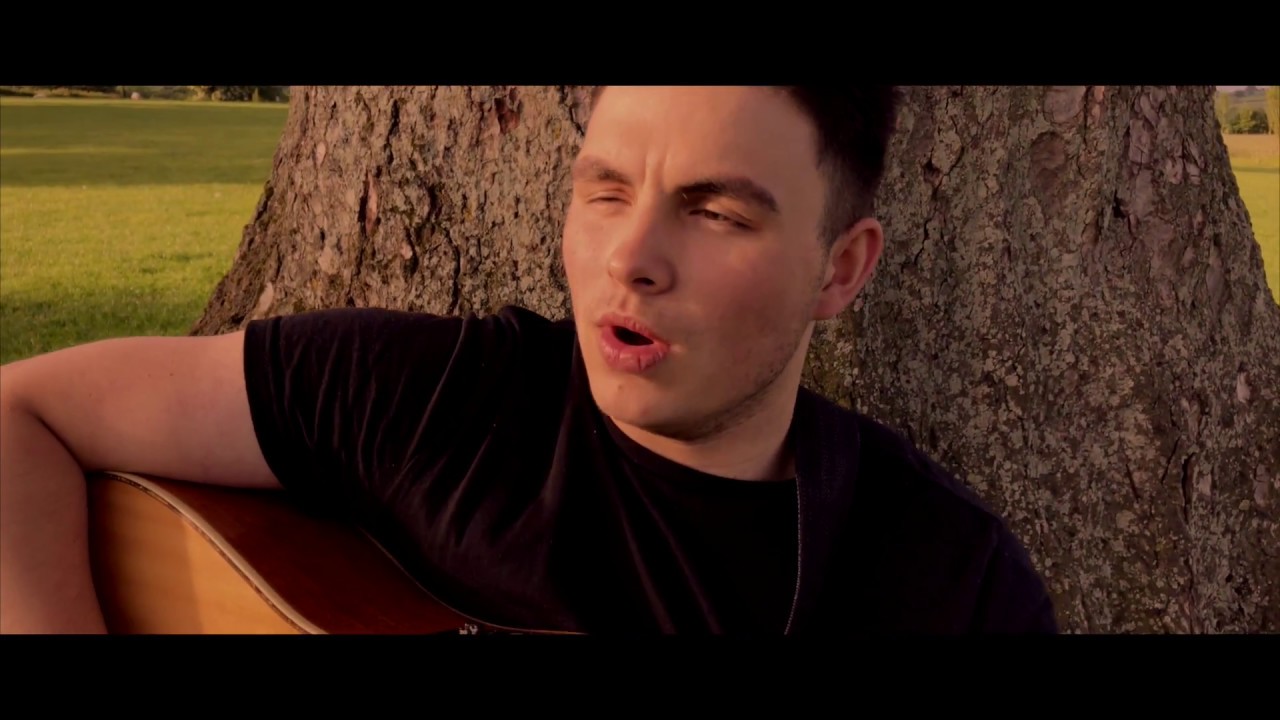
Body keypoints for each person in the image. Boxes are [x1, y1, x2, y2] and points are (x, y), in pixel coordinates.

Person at [0, 85, 1058, 635]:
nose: (629, 258)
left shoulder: (949, 588)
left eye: (714, 212)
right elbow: (20, 417)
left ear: (840, 268)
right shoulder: (440, 402)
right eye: (605, 191)